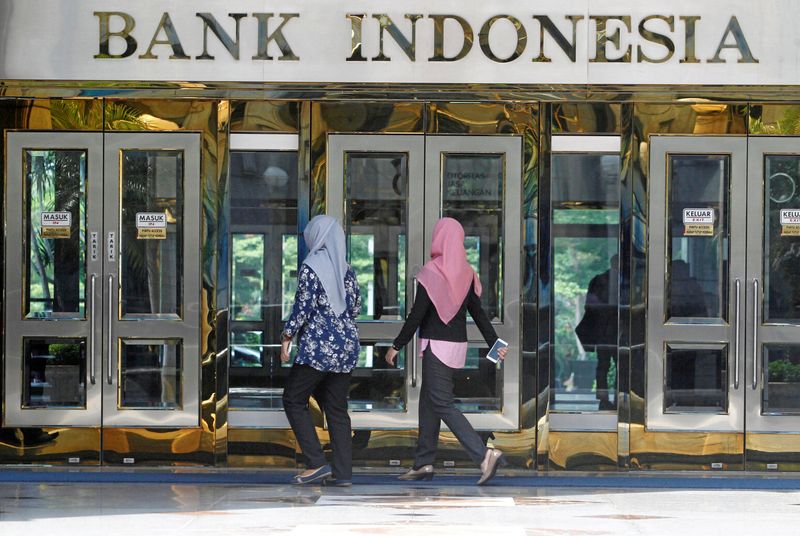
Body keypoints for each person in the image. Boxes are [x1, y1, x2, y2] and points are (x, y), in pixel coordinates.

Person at [384, 217, 508, 485]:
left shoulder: (432, 273)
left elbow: (416, 316)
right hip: (456, 348)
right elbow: (479, 315)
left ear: (440, 238)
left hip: (436, 348)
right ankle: (424, 462)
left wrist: (396, 345)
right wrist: (495, 345)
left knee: (441, 403)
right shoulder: (465, 273)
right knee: (429, 404)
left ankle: (484, 455)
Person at [280, 215, 361, 486]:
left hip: (318, 347)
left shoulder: (311, 267)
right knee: (337, 409)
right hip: (346, 348)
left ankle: (315, 462)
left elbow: (302, 308)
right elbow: (356, 308)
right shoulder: (346, 269)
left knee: (293, 398)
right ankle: (343, 474)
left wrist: (287, 335)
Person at [575, 254, 619, 411]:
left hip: (603, 330)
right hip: (617, 330)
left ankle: (604, 399)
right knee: (620, 366)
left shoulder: (599, 280)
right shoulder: (626, 282)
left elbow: (590, 305)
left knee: (603, 366)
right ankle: (619, 397)